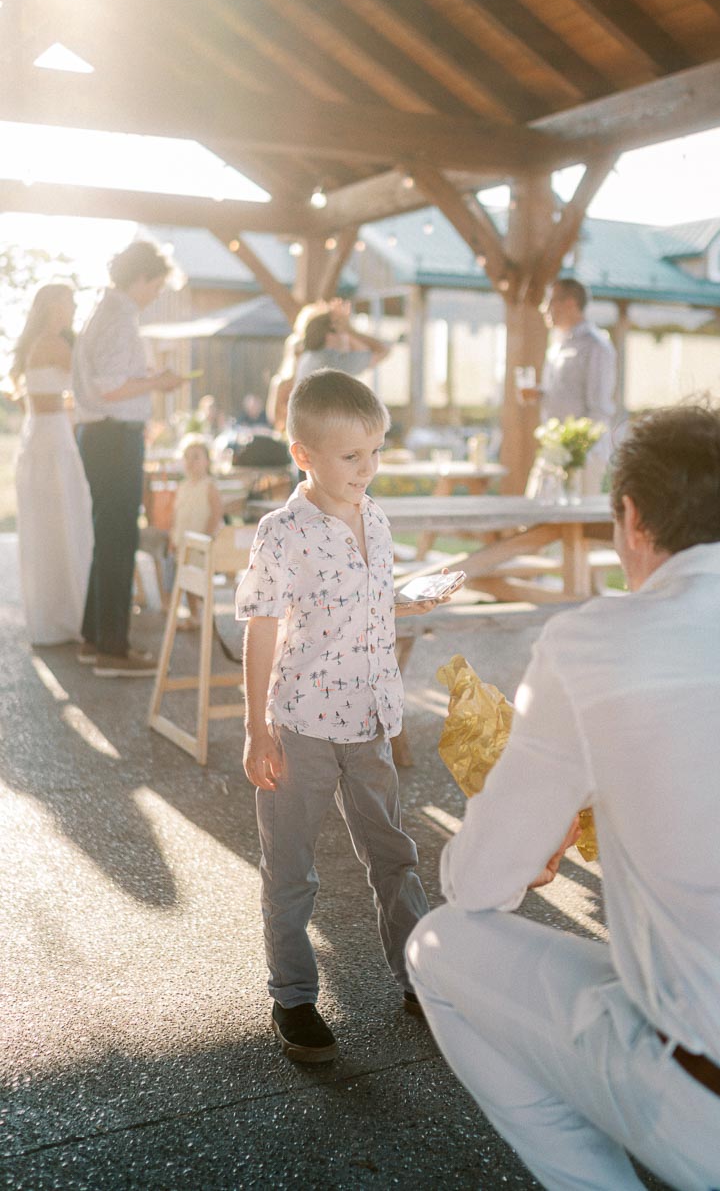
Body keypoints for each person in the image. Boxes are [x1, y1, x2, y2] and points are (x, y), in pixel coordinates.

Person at [407, 404, 720, 1191]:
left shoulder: (592, 644)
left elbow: (475, 886)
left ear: (630, 518)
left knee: (436, 945)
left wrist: (532, 843)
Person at [236, 369, 455, 1064]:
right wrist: (256, 727)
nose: (368, 469)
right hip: (299, 724)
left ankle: (417, 977)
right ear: (304, 454)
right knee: (292, 869)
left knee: (395, 856)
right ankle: (294, 997)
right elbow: (262, 627)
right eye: (351, 456)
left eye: (377, 452)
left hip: (369, 722)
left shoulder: (379, 519)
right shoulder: (282, 533)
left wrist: (402, 600)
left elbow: (367, 600)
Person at [73, 240, 184, 677]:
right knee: (119, 538)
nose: (156, 293)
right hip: (114, 436)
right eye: (156, 285)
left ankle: (94, 638)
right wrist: (157, 383)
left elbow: (109, 381)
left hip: (101, 434)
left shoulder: (104, 313)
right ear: (141, 278)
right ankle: (112, 650)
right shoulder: (118, 317)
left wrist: (149, 381)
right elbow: (109, 387)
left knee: (110, 537)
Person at [10, 281, 93, 645]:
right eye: (69, 303)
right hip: (54, 441)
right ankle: (70, 615)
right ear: (53, 308)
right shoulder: (57, 345)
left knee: (43, 532)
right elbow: (88, 387)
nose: (73, 309)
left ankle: (48, 617)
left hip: (35, 438)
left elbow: (40, 397)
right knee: (67, 525)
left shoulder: (29, 345)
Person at [522, 277, 616, 494]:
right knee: (534, 512)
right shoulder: (557, 344)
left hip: (582, 456)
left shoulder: (596, 346)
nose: (544, 308)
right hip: (553, 448)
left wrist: (580, 452)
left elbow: (600, 408)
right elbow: (566, 393)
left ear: (570, 303)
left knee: (576, 524)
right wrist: (541, 394)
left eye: (550, 301)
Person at [168, 436, 224, 630]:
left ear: (207, 461)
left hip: (202, 543)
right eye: (187, 457)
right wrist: (173, 536)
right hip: (184, 541)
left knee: (201, 582)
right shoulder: (182, 487)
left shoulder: (209, 486)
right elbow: (176, 514)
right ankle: (194, 616)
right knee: (186, 580)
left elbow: (216, 513)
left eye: (196, 457)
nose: (190, 462)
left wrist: (207, 537)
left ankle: (206, 615)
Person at [293, 298, 391, 386]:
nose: (347, 338)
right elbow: (382, 350)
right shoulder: (331, 361)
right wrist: (350, 330)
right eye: (343, 333)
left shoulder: (309, 356)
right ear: (330, 336)